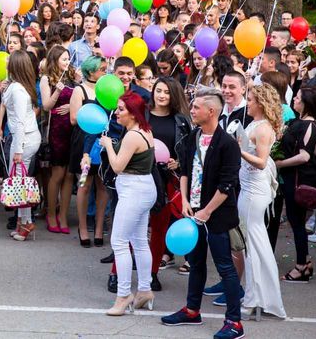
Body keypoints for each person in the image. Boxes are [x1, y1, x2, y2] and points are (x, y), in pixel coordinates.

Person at [162, 88, 244, 339]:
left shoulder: (227, 144)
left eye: (196, 107)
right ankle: (192, 310)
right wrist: (186, 200)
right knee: (196, 262)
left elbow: (227, 184)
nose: (192, 110)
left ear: (211, 111)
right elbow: (185, 171)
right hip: (194, 211)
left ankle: (235, 322)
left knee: (225, 267)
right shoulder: (192, 138)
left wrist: (207, 211)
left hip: (217, 214)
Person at [101, 91, 157, 316]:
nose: (116, 113)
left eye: (121, 109)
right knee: (139, 241)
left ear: (133, 114)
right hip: (143, 188)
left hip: (134, 190)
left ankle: (124, 295)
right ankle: (145, 290)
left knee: (119, 242)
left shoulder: (133, 135)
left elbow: (117, 166)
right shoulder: (144, 130)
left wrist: (107, 144)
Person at [238, 84, 286, 319]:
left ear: (261, 103)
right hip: (247, 187)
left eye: (250, 99)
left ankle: (255, 298)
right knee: (253, 243)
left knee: (253, 244)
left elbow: (260, 160)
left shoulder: (264, 128)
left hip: (254, 192)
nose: (247, 103)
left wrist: (238, 150)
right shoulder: (254, 124)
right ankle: (258, 296)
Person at [273, 85, 316, 282]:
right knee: (295, 221)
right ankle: (306, 262)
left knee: (297, 222)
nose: (294, 100)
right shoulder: (296, 121)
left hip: (299, 178)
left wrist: (281, 163)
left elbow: (304, 155)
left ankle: (301, 265)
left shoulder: (310, 125)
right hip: (290, 176)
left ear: (306, 102)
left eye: (298, 98)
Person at [148, 77, 190, 282]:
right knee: (136, 226)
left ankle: (153, 272)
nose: (162, 95)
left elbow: (190, 150)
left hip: (167, 180)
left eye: (166, 92)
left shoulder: (181, 120)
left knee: (159, 227)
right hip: (141, 177)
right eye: (158, 91)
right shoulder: (142, 116)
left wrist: (179, 163)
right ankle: (119, 273)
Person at [69, 55, 109, 248]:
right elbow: (73, 118)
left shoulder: (108, 88)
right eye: (102, 68)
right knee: (84, 184)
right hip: (84, 141)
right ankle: (83, 227)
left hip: (103, 141)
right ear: (91, 71)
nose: (105, 72)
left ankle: (99, 227)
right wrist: (92, 115)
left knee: (102, 185)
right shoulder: (80, 89)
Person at [2, 51, 42, 241]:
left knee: (20, 182)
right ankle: (22, 222)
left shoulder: (18, 90)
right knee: (19, 181)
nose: (6, 62)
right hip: (24, 137)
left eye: (9, 61)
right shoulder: (16, 86)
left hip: (24, 138)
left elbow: (19, 122)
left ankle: (26, 223)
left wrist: (17, 149)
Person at [40, 45, 74, 233]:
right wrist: (58, 91)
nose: (67, 62)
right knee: (58, 174)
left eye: (68, 58)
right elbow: (46, 105)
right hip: (57, 130)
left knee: (70, 175)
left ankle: (63, 217)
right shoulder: (47, 78)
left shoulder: (73, 78)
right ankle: (51, 214)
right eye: (63, 59)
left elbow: (82, 99)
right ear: (54, 60)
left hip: (73, 128)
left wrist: (71, 106)